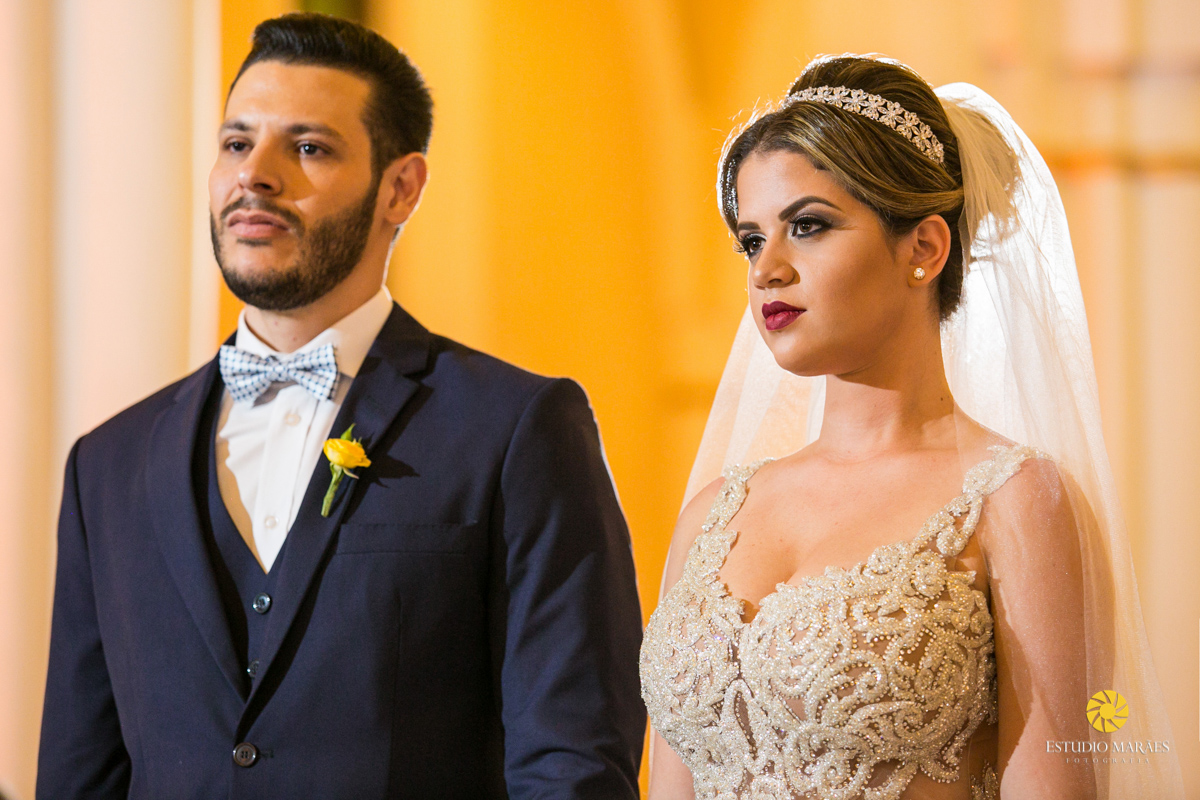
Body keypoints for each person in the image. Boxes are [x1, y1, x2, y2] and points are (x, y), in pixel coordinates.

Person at [37, 13, 644, 799]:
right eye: (236, 143)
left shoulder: (516, 428)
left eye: (308, 148)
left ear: (401, 188)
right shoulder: (107, 464)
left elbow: (572, 764)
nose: (256, 175)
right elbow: (80, 774)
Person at [639, 55, 1183, 799]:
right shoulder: (713, 514)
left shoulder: (1014, 499)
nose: (767, 270)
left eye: (807, 226)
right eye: (752, 239)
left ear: (924, 247)